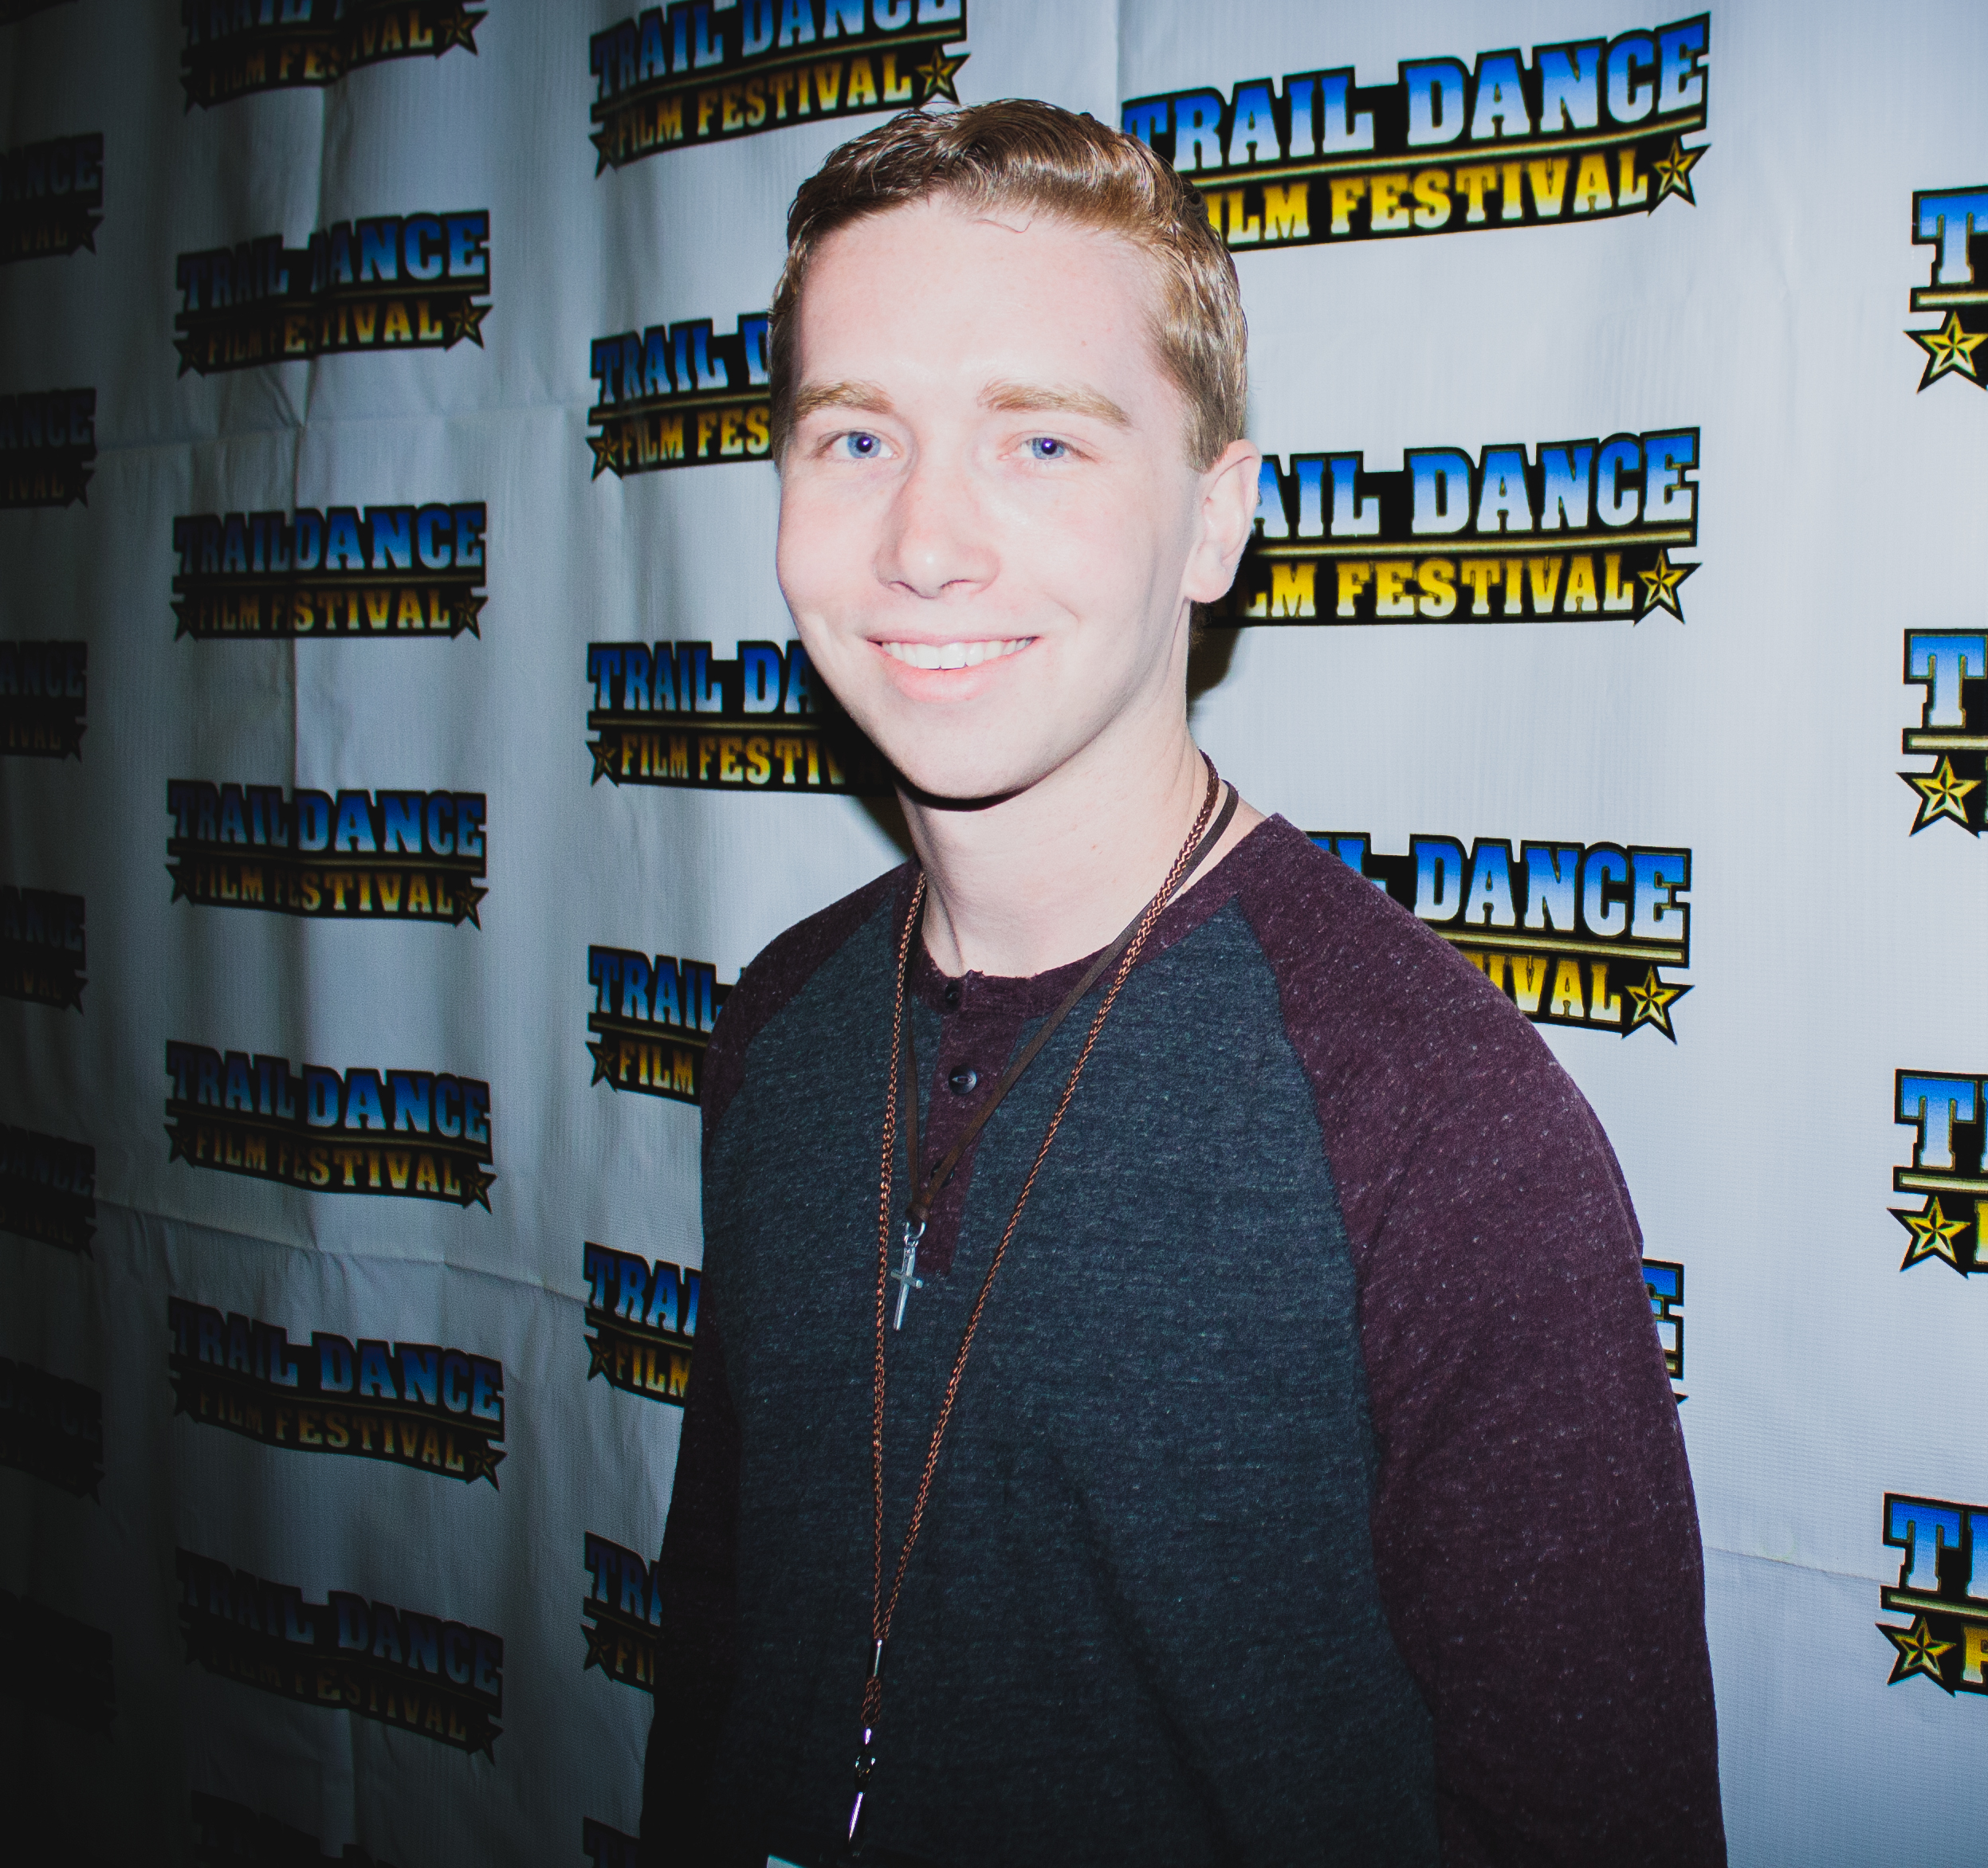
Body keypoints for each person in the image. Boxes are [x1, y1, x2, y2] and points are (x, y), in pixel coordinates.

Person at [642, 100, 1723, 1867]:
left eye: (1042, 444)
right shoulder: (780, 1026)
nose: (923, 540)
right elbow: (718, 1675)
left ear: (1217, 523)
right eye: (854, 436)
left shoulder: (1438, 1125)